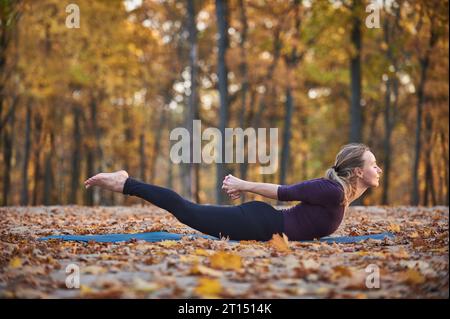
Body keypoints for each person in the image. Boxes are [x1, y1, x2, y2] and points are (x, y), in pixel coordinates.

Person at [84, 143, 382, 241]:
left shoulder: (343, 193)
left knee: (188, 211)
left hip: (263, 224)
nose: (378, 169)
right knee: (186, 210)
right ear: (357, 172)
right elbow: (285, 191)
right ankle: (126, 182)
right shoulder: (330, 190)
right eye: (373, 165)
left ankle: (126, 182)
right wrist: (243, 184)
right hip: (258, 223)